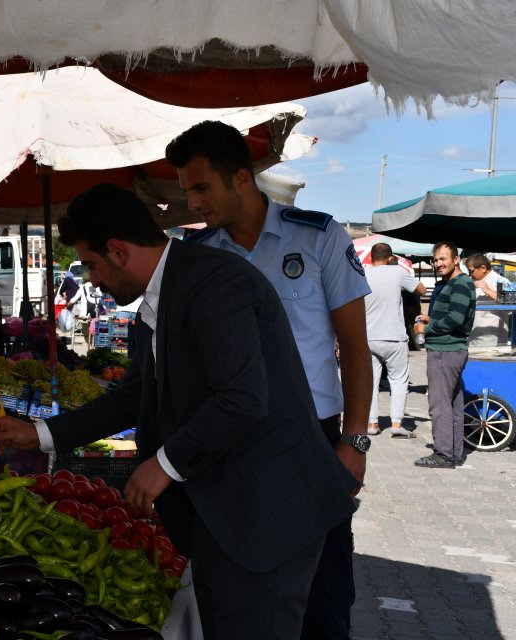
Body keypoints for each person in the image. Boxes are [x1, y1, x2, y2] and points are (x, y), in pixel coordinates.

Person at [0, 184, 358, 639]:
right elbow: (131, 398)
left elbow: (242, 398)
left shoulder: (214, 281)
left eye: (91, 264)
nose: (93, 280)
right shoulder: (161, 296)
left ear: (118, 250)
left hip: (266, 517)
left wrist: (164, 465)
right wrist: (40, 434)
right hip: (222, 518)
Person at [166, 120, 372, 639]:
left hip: (312, 440)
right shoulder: (200, 256)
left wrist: (355, 441)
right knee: (243, 587)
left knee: (324, 595)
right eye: (187, 190)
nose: (192, 203)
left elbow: (354, 346)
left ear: (240, 177)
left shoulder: (318, 236)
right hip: (232, 441)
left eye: (200, 188)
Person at [414, 241, 476, 469]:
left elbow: (456, 319)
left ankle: (443, 454)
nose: (438, 263)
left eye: (442, 259)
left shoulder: (460, 284)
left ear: (456, 259)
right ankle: (454, 452)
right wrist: (431, 319)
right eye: (435, 259)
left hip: (445, 351)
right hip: (451, 350)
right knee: (453, 404)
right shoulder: (455, 282)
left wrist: (426, 329)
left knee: (439, 405)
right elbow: (452, 314)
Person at [363, 243, 427, 437]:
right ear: (391, 257)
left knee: (370, 383)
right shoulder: (397, 272)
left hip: (369, 337)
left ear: (371, 258)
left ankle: (372, 424)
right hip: (394, 337)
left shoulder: (362, 274)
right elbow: (422, 290)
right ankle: (397, 425)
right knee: (399, 381)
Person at [464, 253, 513, 348]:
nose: (470, 275)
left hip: (493, 340)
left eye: (471, 271)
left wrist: (487, 290)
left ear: (483, 268)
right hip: (473, 337)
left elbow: (511, 302)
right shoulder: (473, 282)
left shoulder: (501, 280)